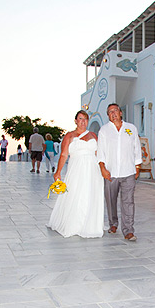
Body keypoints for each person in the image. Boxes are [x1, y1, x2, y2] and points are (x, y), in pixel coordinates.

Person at [47, 110, 104, 238]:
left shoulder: (93, 136)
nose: (83, 121)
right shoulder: (70, 136)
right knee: (77, 193)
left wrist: (103, 168)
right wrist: (58, 172)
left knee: (91, 194)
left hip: (93, 170)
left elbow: (99, 153)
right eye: (80, 118)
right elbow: (63, 154)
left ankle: (90, 224)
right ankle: (75, 223)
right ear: (75, 121)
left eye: (85, 119)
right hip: (77, 169)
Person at [97, 103, 142, 241]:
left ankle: (128, 231)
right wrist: (103, 168)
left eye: (115, 110)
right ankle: (113, 223)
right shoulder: (104, 130)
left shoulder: (131, 128)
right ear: (108, 115)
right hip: (111, 173)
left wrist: (137, 167)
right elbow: (101, 151)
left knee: (128, 202)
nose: (113, 113)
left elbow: (137, 148)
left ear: (120, 112)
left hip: (128, 171)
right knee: (111, 200)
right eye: (110, 112)